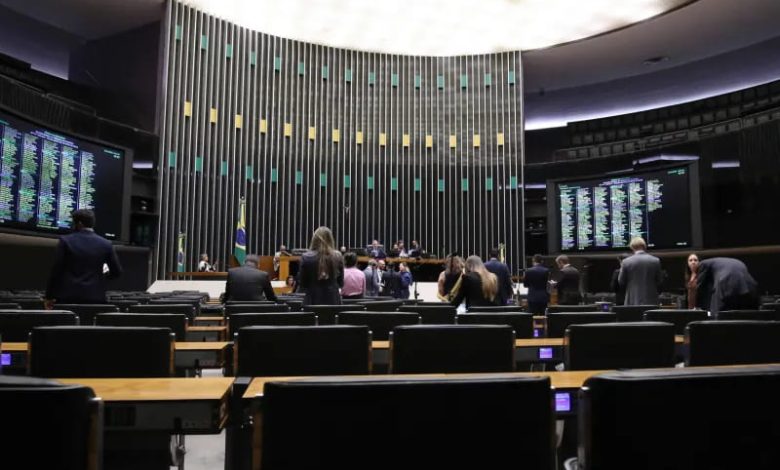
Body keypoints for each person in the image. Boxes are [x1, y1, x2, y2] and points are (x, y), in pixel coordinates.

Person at [45, 209, 122, 305]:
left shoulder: (65, 241)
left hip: (68, 297)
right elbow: (116, 272)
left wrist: (49, 296)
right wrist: (101, 276)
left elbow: (56, 271)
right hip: (96, 297)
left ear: (79, 223)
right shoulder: (106, 244)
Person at [298, 226, 344, 305]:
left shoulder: (305, 257)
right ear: (331, 239)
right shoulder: (338, 256)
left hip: (312, 301)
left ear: (314, 240)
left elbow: (303, 284)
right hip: (333, 301)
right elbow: (341, 283)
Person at [618, 237, 663, 306]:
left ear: (632, 247)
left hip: (632, 300)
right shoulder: (655, 261)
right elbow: (659, 281)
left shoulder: (626, 262)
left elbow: (621, 281)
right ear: (644, 246)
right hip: (651, 300)